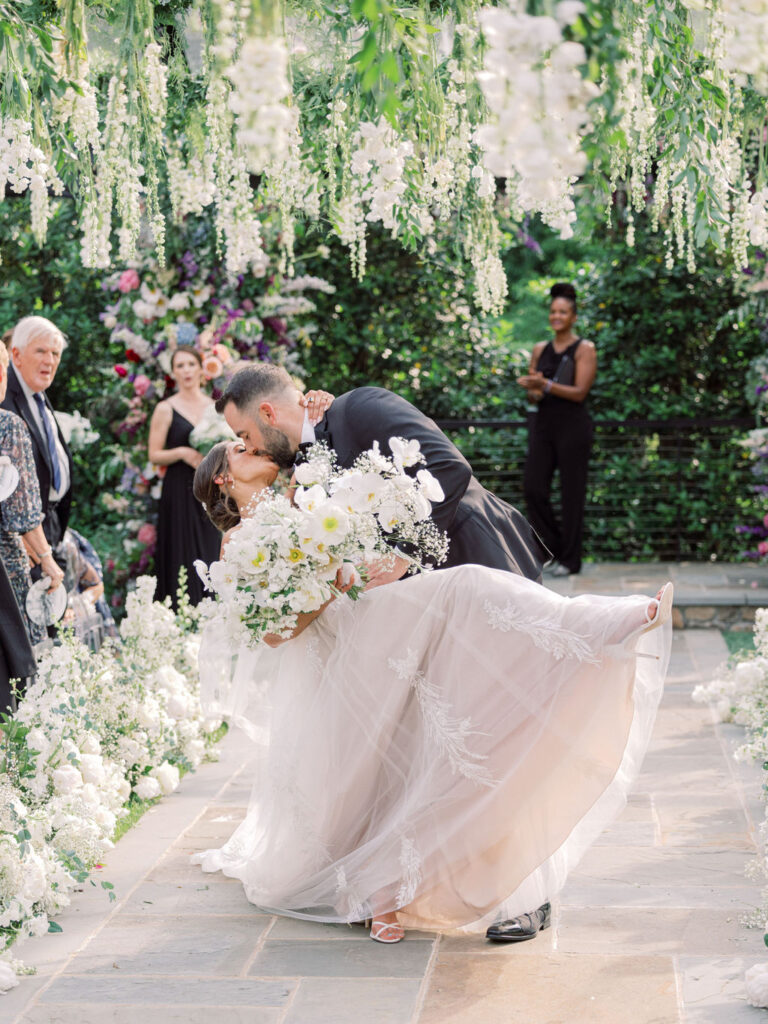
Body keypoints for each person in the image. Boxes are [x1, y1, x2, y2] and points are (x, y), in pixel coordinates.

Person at [191, 441, 672, 944]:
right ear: (223, 477)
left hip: (384, 618)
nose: (254, 447)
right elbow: (272, 634)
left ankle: (609, 622)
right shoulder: (238, 546)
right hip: (339, 653)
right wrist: (324, 594)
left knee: (469, 587)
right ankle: (379, 899)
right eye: (239, 449)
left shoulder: (304, 499)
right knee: (374, 767)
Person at [215, 364, 550, 586]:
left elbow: (449, 467)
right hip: (431, 594)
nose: (252, 448)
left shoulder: (360, 407)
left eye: (245, 435)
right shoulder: (304, 468)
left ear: (268, 413)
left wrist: (404, 554)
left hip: (479, 559)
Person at [518, 282, 597, 579]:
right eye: (553, 311)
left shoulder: (584, 348)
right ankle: (551, 549)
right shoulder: (540, 349)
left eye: (563, 312)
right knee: (533, 486)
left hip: (573, 427)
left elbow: (579, 392)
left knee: (571, 494)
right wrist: (533, 389)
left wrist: (545, 385)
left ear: (574, 316)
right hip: (544, 425)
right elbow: (534, 396)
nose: (557, 316)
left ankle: (571, 560)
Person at [0, 337, 65, 647]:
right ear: (3, 374)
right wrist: (47, 561)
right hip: (5, 571)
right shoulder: (7, 425)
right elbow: (20, 512)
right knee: (21, 671)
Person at [148, 345, 222, 609]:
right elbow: (154, 454)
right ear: (173, 373)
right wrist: (181, 452)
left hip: (211, 489)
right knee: (180, 548)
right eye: (179, 366)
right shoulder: (165, 408)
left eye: (190, 364)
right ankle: (180, 610)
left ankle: (213, 607)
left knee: (211, 545)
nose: (186, 370)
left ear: (202, 369)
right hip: (179, 488)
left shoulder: (216, 407)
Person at [1, 316, 74, 549]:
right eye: (41, 351)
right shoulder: (4, 401)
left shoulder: (38, 393)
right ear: (17, 355)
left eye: (55, 354)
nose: (49, 361)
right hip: (22, 540)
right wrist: (28, 541)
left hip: (51, 528)